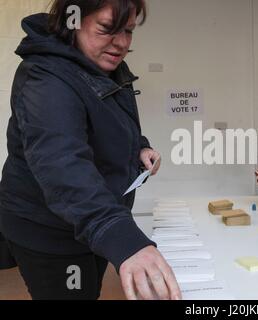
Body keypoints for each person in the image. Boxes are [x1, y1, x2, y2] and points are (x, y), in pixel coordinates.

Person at [0, 0, 181, 300]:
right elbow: (63, 166)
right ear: (72, 19)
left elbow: (110, 123)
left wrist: (140, 147)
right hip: (51, 231)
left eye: (128, 31)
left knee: (88, 290)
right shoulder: (45, 77)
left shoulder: (105, 66)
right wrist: (123, 239)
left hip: (87, 223)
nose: (121, 43)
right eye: (107, 29)